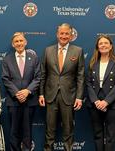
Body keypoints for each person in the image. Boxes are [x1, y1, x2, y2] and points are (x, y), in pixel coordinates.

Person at [39, 23, 85, 151]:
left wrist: (79, 97)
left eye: (66, 34)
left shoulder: (78, 51)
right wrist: (41, 94)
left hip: (69, 96)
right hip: (50, 95)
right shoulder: (48, 50)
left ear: (71, 35)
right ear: (57, 34)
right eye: (61, 33)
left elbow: (80, 76)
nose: (64, 36)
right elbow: (43, 74)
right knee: (50, 130)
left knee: (68, 130)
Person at [2, 32, 41, 151]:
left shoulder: (34, 58)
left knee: (27, 131)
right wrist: (17, 93)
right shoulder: (7, 59)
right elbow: (5, 78)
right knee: (14, 131)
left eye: (21, 41)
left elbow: (38, 77)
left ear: (25, 42)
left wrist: (27, 91)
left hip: (29, 100)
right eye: (16, 42)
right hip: (14, 101)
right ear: (13, 44)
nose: (19, 43)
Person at [86, 35, 115, 151]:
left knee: (110, 136)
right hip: (95, 105)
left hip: (113, 105)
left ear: (111, 46)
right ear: (97, 47)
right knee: (97, 135)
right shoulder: (92, 63)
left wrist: (106, 102)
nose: (103, 45)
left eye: (106, 43)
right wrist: (96, 101)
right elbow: (88, 83)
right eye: (100, 43)